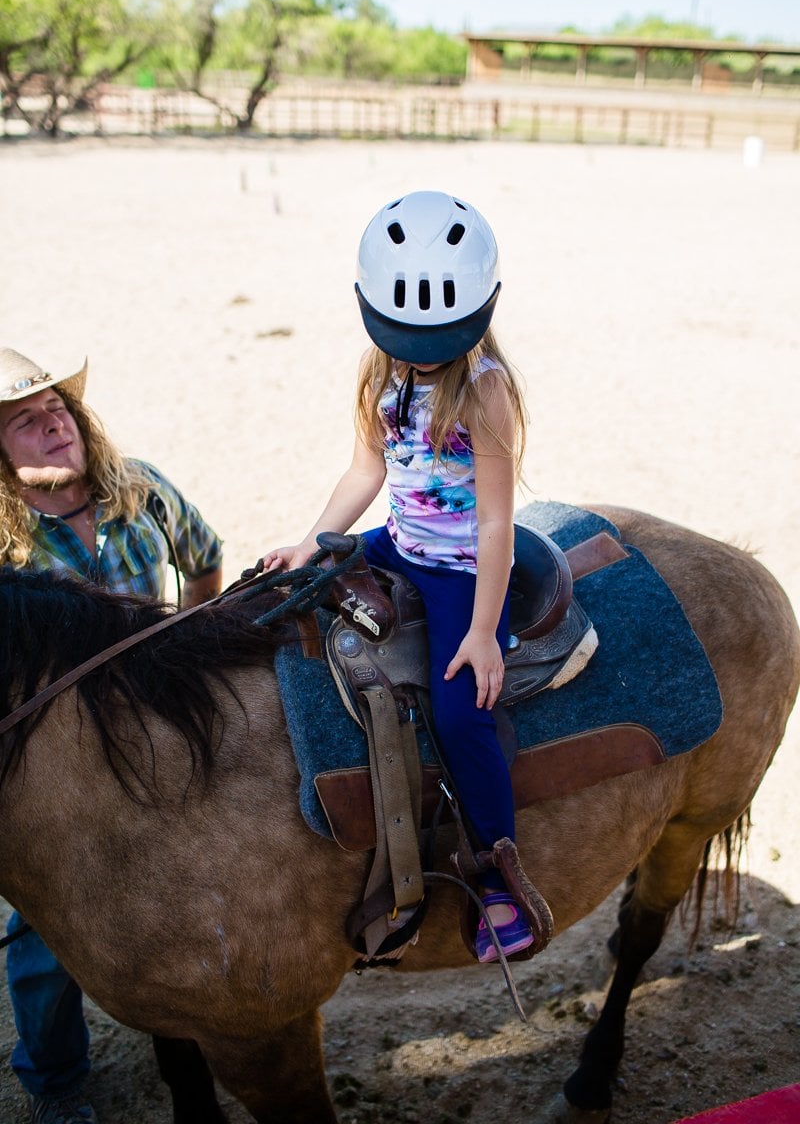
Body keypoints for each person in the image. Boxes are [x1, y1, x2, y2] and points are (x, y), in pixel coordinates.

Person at [262, 189, 543, 964]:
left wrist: (484, 630)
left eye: (438, 337)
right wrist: (319, 543)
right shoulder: (377, 372)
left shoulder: (485, 388)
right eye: (407, 335)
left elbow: (493, 522)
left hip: (459, 565)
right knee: (294, 601)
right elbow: (365, 470)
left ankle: (497, 872)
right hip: (397, 539)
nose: (422, 351)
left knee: (460, 714)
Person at [0, 346, 223, 1124]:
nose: (51, 423)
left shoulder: (144, 488)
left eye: (56, 408)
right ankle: (56, 1085)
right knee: (42, 929)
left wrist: (194, 639)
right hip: (64, 755)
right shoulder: (6, 545)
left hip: (167, 722)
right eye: (24, 420)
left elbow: (205, 562)